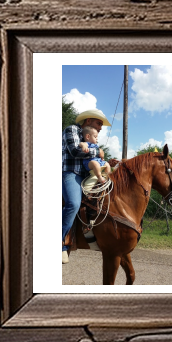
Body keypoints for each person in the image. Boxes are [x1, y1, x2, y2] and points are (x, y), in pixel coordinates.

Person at [62, 109, 111, 264]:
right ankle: (60, 244)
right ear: (88, 120)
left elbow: (95, 156)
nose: (100, 128)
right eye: (99, 124)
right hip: (71, 173)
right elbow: (75, 151)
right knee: (73, 203)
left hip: (86, 175)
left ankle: (90, 233)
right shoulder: (72, 130)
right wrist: (98, 150)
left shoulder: (88, 138)